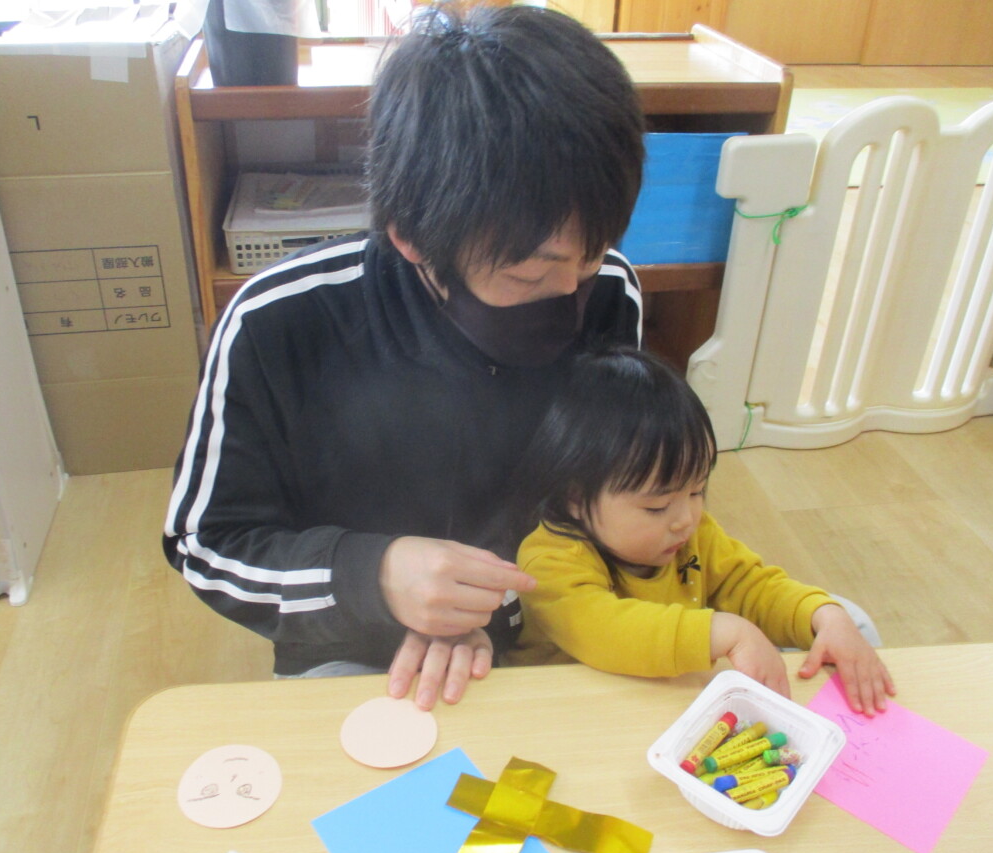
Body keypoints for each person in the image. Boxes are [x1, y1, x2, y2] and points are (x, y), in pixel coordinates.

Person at [163, 3, 646, 710]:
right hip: (356, 646)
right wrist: (376, 575)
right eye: (528, 273)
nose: (572, 290)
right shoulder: (279, 322)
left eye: (593, 252)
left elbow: (612, 495)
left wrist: (504, 607)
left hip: (555, 622)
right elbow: (207, 543)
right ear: (413, 237)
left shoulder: (610, 293)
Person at [506, 346, 896, 715]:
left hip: (665, 694)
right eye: (657, 506)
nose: (686, 519)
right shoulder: (549, 559)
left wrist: (822, 615)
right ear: (575, 498)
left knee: (848, 617)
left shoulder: (690, 533)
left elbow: (750, 586)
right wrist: (723, 631)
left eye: (697, 491)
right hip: (572, 710)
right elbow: (604, 631)